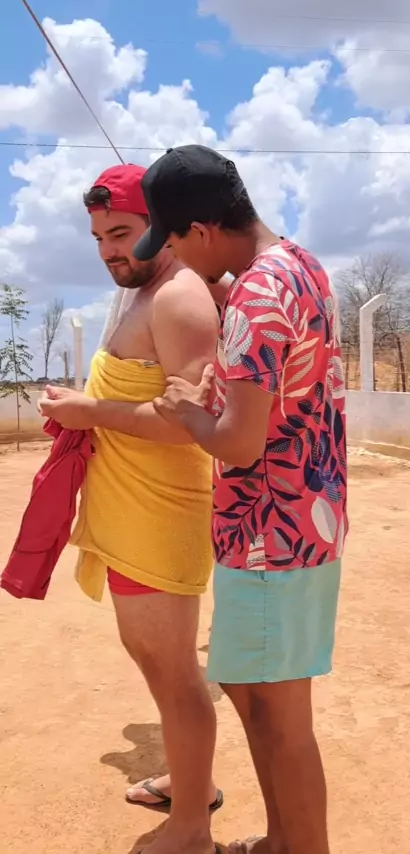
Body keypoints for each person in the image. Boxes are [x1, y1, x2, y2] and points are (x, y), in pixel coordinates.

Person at [133, 145, 348, 854]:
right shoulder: (300, 266)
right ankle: (283, 842)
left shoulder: (255, 297)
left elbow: (240, 445)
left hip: (267, 535)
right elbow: (283, 393)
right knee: (258, 702)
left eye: (173, 241)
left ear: (200, 229)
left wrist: (189, 413)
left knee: (281, 720)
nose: (173, 258)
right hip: (307, 521)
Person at [39, 164, 225, 854]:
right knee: (150, 658)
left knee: (174, 672)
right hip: (129, 511)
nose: (109, 250)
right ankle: (187, 779)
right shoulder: (142, 291)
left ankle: (193, 826)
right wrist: (85, 408)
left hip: (160, 515)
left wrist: (90, 410)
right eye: (98, 237)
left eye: (121, 233)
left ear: (162, 226)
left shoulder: (178, 298)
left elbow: (192, 423)